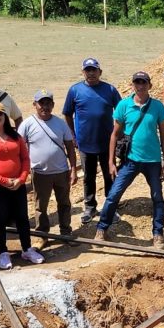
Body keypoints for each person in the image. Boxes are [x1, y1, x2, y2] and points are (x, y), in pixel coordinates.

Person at [95, 71, 164, 249]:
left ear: (149, 85)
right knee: (113, 195)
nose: (140, 86)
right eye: (137, 82)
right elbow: (114, 135)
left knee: (157, 198)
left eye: (143, 82)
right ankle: (102, 229)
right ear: (133, 85)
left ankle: (158, 234)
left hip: (152, 161)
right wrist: (111, 162)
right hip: (130, 161)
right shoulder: (123, 105)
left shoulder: (158, 107)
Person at [0, 101, 43, 270]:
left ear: (5, 116)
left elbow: (25, 159)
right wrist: (3, 181)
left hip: (17, 184)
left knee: (22, 218)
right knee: (0, 219)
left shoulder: (15, 136)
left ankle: (27, 248)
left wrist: (21, 178)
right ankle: (3, 252)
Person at [63, 58, 122, 224]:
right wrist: (73, 136)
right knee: (89, 177)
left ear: (100, 72)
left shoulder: (110, 90)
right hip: (85, 143)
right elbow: (67, 113)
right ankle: (89, 207)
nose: (91, 73)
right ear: (83, 72)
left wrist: (120, 133)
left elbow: (121, 110)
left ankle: (111, 207)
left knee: (109, 174)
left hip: (107, 143)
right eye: (87, 70)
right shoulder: (75, 90)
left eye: (93, 70)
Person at [18, 89, 77, 248]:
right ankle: (42, 235)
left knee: (64, 203)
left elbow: (70, 147)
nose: (45, 106)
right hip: (40, 173)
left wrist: (73, 169)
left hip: (61, 171)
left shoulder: (60, 123)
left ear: (52, 104)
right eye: (41, 103)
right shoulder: (27, 124)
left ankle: (66, 232)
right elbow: (19, 147)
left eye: (48, 103)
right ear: (34, 105)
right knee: (40, 206)